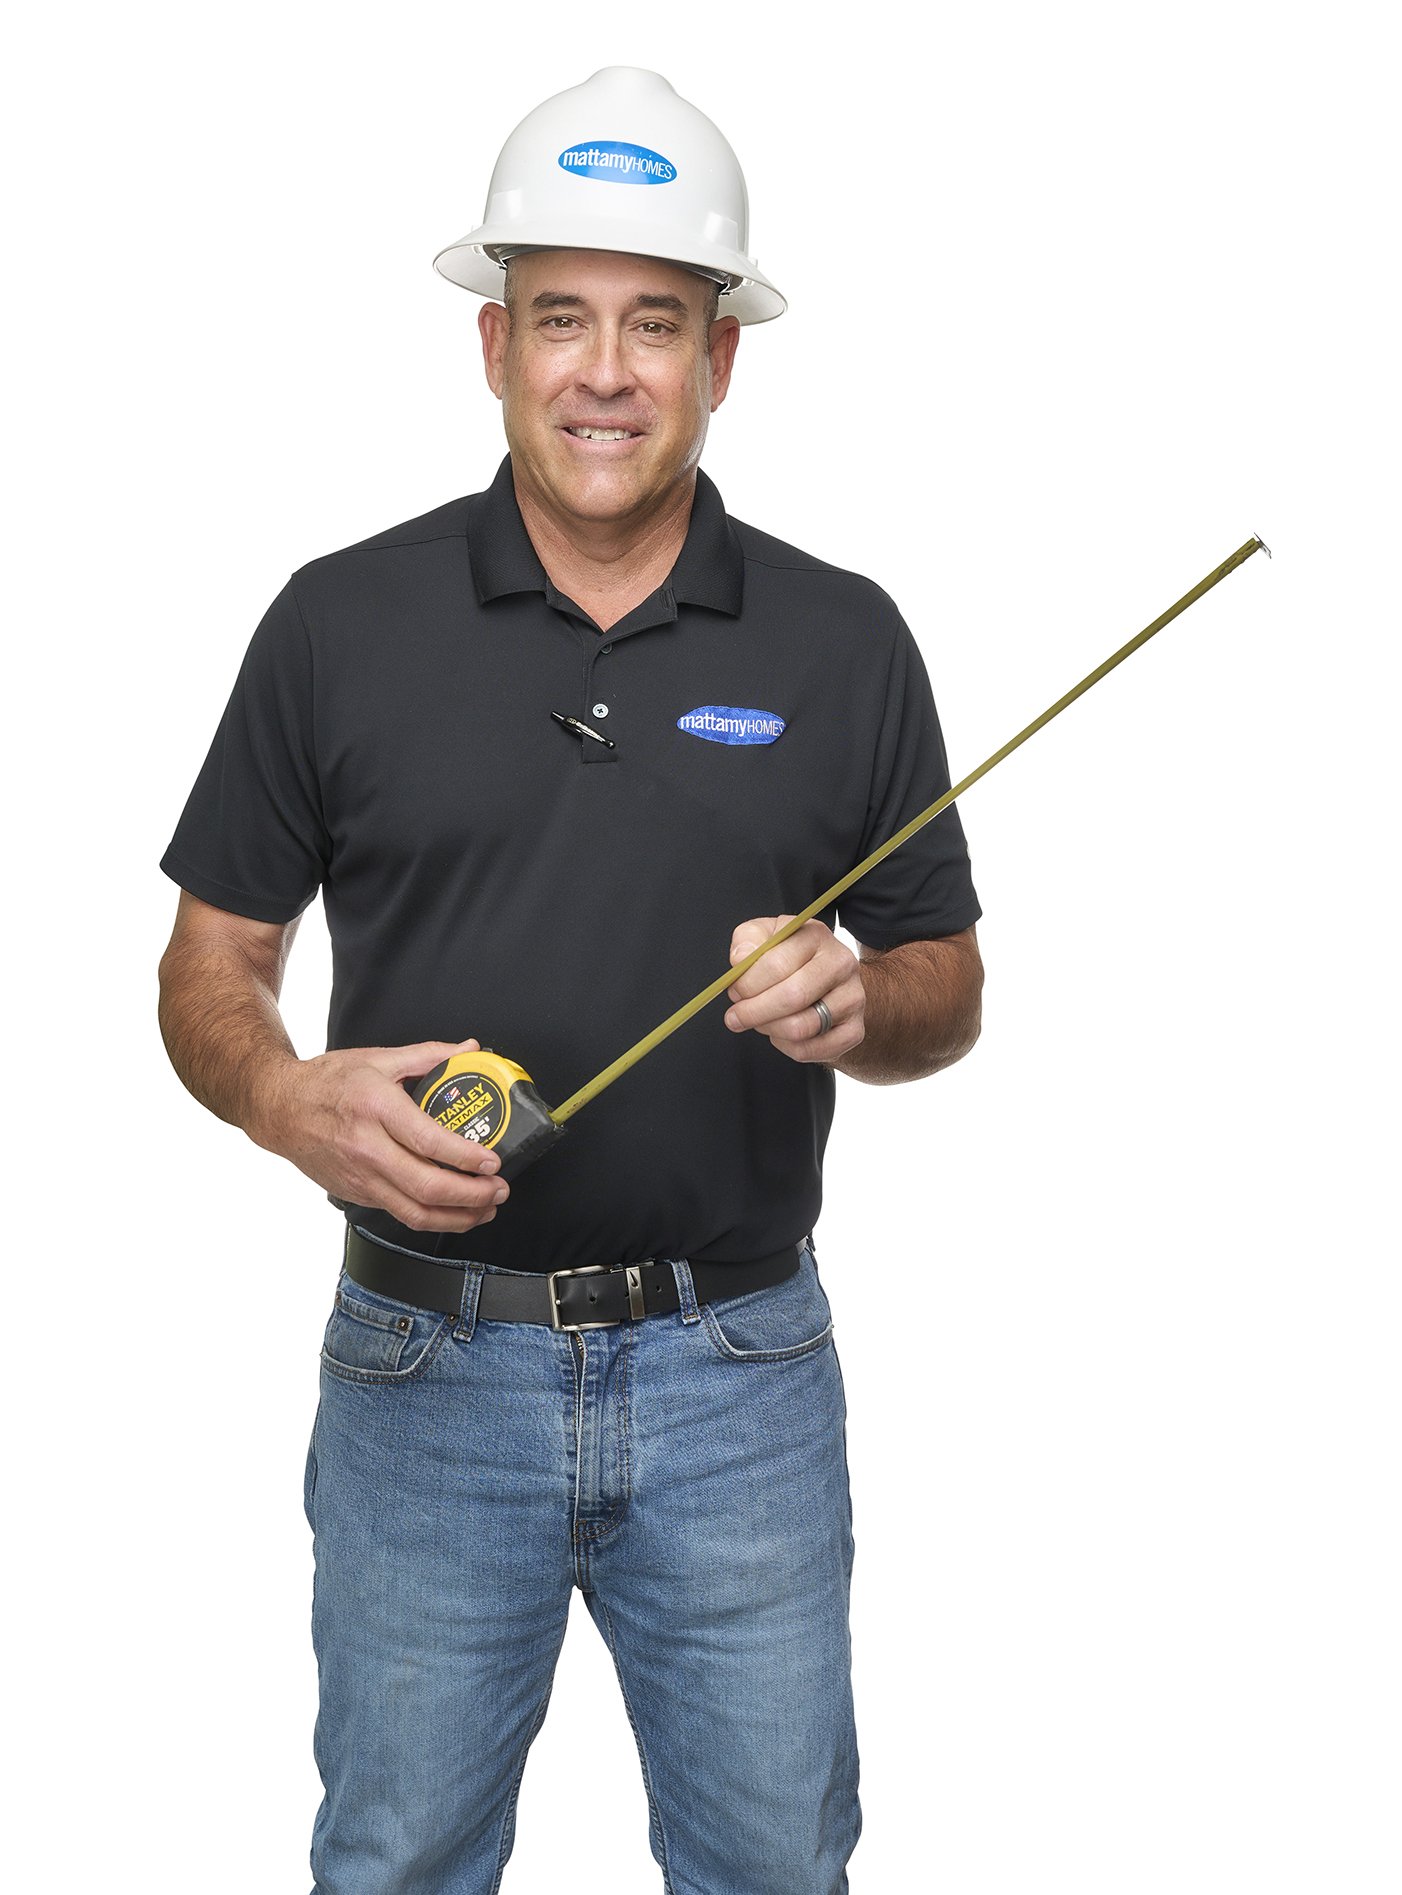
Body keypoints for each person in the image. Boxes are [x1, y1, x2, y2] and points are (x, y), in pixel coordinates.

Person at [158, 66, 984, 1895]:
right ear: (491, 346)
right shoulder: (335, 621)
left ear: (720, 360)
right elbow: (211, 967)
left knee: (777, 1864)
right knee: (396, 1863)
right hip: (421, 1361)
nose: (605, 370)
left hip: (739, 1368)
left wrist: (867, 1002)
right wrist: (291, 1097)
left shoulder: (843, 639)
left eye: (655, 324)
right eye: (562, 319)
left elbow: (946, 978)